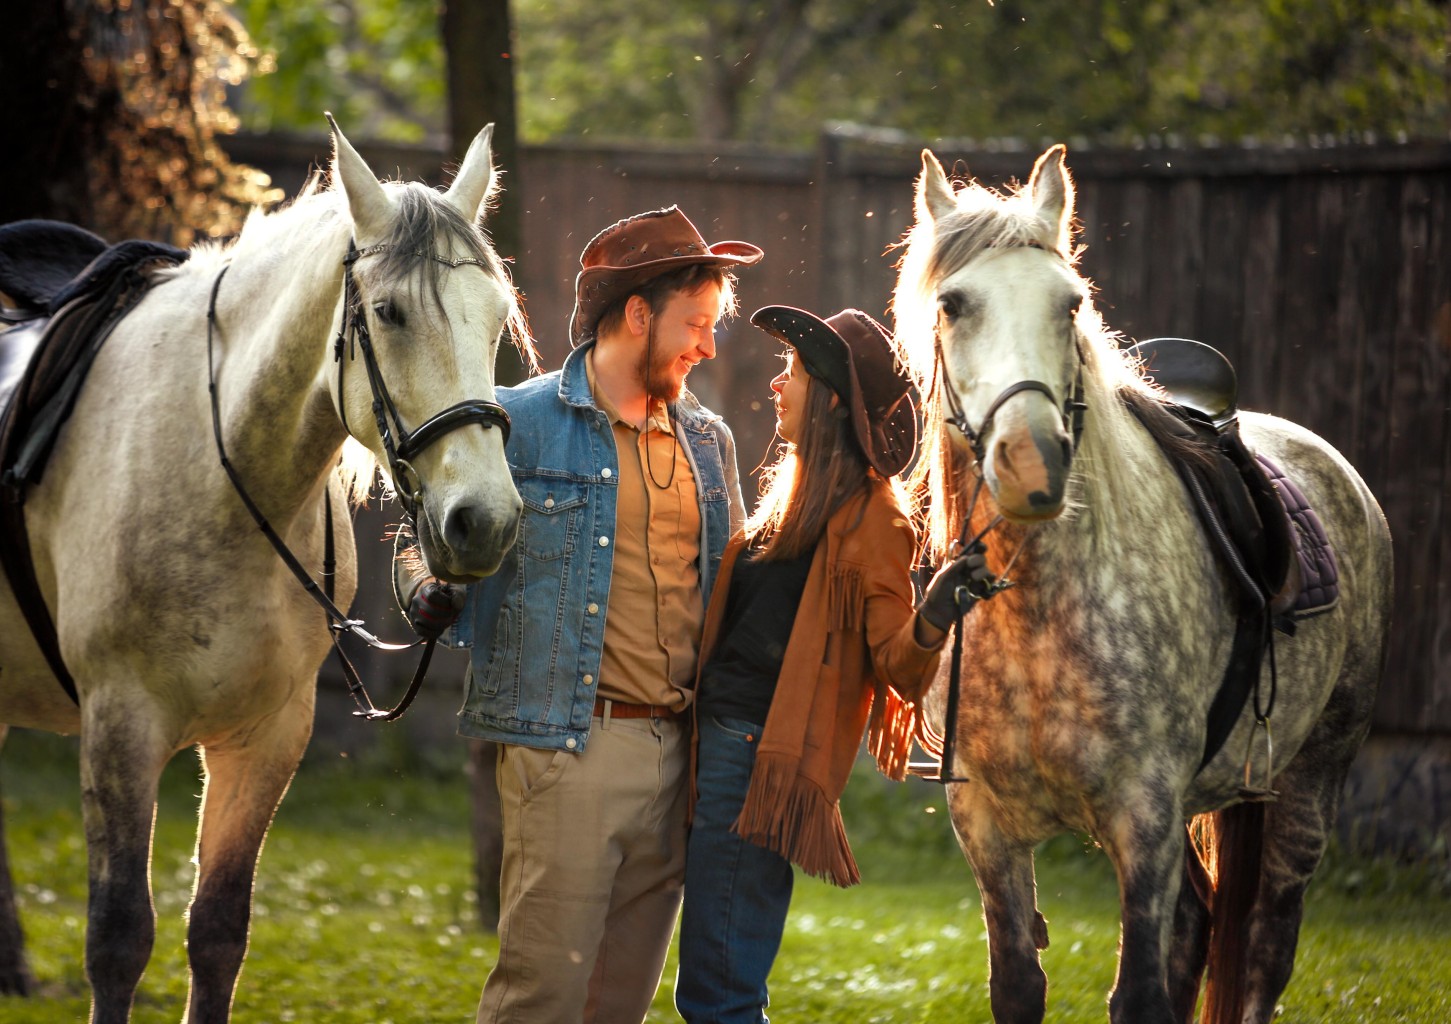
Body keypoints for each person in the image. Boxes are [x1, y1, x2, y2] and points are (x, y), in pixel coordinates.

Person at [396, 206, 763, 1023]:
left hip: (678, 757)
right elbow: (419, 536)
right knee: (542, 999)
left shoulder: (708, 439)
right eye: (696, 325)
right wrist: (430, 586)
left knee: (619, 1006)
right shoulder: (515, 421)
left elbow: (734, 588)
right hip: (567, 749)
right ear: (638, 314)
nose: (708, 346)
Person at [674, 306, 992, 1024]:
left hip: (761, 765)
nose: (775, 386)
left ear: (831, 401)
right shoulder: (792, 499)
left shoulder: (873, 516)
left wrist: (936, 611)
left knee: (719, 993)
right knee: (712, 981)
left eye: (792, 373)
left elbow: (898, 668)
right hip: (714, 747)